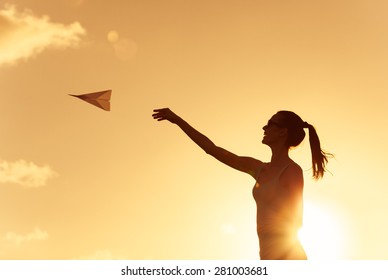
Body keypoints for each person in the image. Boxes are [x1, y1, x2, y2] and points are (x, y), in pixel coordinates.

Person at [152, 108, 331, 260]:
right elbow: (213, 150)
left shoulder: (291, 171)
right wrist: (176, 120)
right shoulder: (259, 169)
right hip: (267, 256)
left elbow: (296, 220)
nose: (264, 127)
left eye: (270, 123)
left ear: (283, 132)